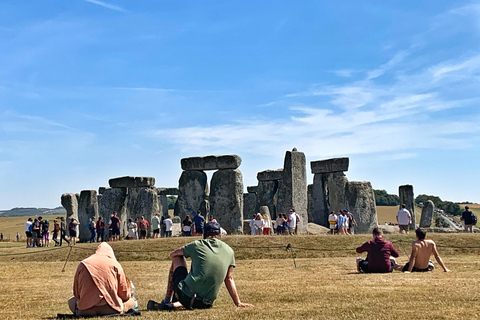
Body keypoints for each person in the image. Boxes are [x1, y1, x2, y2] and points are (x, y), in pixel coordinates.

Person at [147, 221, 254, 311]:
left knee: (177, 258)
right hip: (207, 303)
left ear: (204, 234)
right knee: (195, 295)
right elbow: (229, 278)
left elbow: (173, 254)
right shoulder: (230, 251)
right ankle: (171, 305)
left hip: (186, 296)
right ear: (220, 234)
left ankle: (167, 299)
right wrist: (238, 302)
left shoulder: (197, 244)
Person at [68, 242, 135, 316]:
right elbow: (124, 294)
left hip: (85, 310)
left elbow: (76, 293)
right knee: (132, 302)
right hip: (111, 309)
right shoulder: (115, 265)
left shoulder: (83, 264)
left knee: (71, 301)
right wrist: (129, 294)